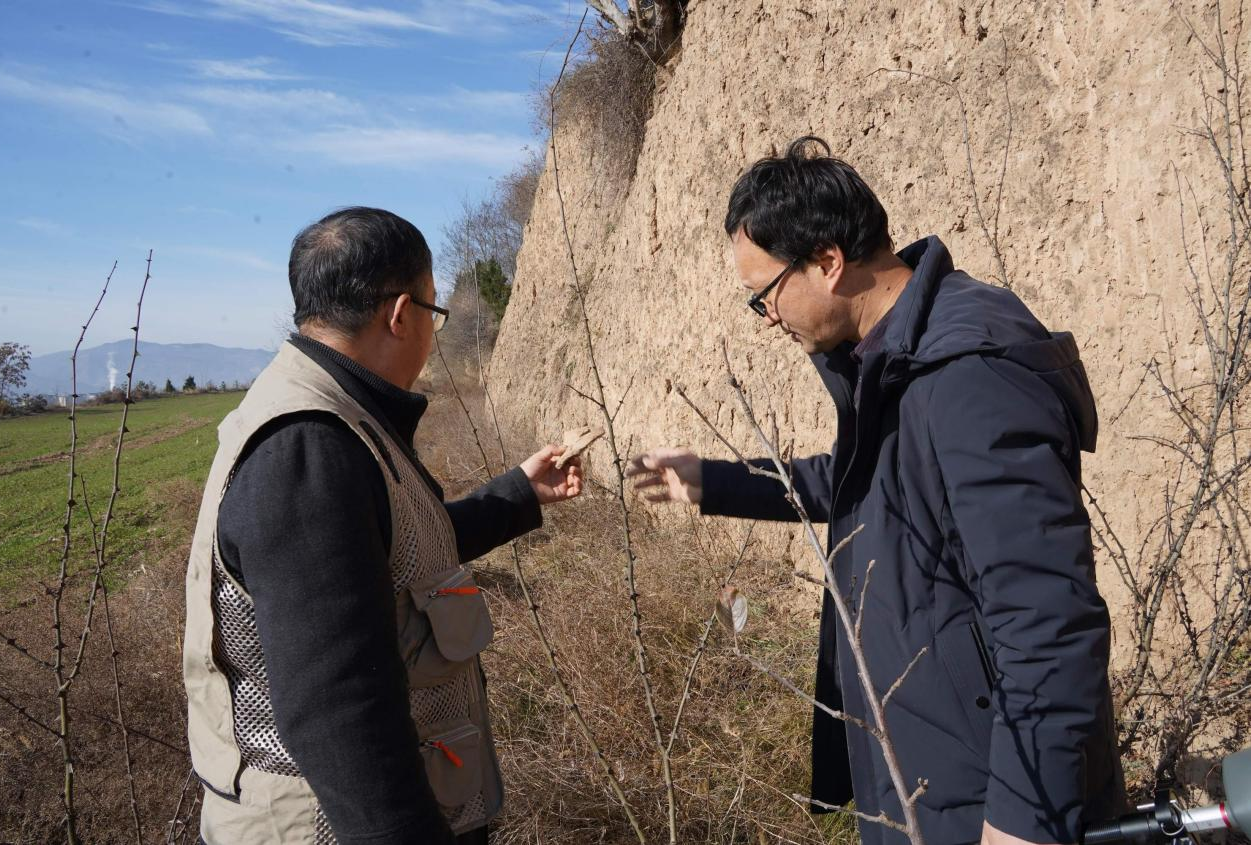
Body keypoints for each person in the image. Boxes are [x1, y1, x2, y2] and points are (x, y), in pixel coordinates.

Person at [626, 137, 1126, 845]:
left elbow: (1047, 621)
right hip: (928, 765)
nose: (767, 318)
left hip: (985, 793)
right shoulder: (896, 358)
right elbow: (861, 483)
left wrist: (1022, 818)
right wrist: (713, 480)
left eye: (765, 295)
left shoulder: (967, 372)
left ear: (828, 261)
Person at [183, 207, 582, 845]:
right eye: (434, 312)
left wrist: (518, 494)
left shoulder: (334, 414)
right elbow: (339, 710)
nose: (431, 331)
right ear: (401, 315)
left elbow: (390, 555)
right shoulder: (308, 448)